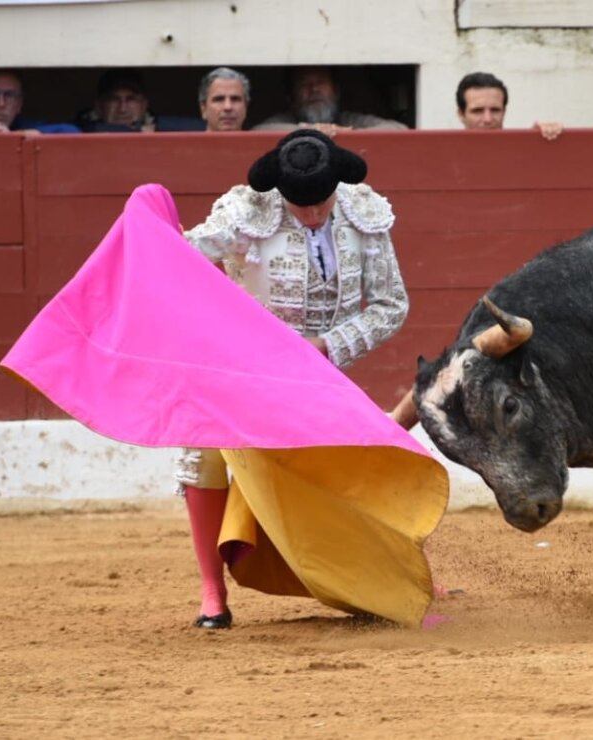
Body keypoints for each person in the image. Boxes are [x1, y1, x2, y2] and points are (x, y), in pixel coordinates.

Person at [178, 129, 410, 628]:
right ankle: (211, 591)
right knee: (203, 451)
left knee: (371, 456)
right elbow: (180, 258)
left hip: (320, 373)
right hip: (245, 369)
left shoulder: (364, 213)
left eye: (321, 202)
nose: (313, 214)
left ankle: (399, 572)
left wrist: (328, 346)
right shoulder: (245, 214)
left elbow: (391, 305)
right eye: (300, 205)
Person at [254, 66, 407, 134]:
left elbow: (399, 129)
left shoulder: (348, 120)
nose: (314, 89)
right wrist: (314, 131)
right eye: (304, 84)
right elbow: (259, 131)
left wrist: (347, 133)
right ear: (291, 98)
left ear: (336, 92)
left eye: (321, 82)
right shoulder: (286, 119)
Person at [76, 68, 203, 132]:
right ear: (99, 106)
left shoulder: (161, 126)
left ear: (144, 104)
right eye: (114, 100)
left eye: (131, 99)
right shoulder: (80, 130)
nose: (122, 109)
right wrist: (137, 133)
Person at [455, 71, 563, 141]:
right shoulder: (447, 153)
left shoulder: (521, 151)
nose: (488, 119)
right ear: (461, 114)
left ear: (504, 112)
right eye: (477, 111)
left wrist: (540, 139)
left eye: (495, 110)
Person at [0, 69, 79, 134]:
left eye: (9, 96)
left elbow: (71, 131)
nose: (1, 104)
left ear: (19, 105)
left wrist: (16, 136)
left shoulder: (22, 126)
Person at [198, 66, 250, 132]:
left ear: (246, 107)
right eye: (219, 99)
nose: (228, 107)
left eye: (235, 99)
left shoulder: (260, 139)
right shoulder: (187, 139)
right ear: (203, 109)